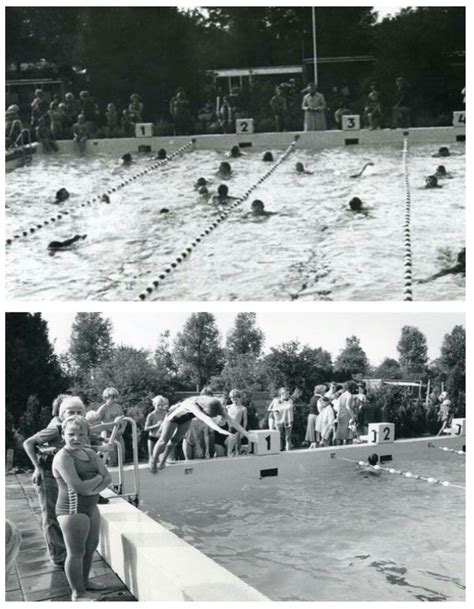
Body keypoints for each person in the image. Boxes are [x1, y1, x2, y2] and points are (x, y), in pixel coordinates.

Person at [22, 396, 88, 567]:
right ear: (61, 413)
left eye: (79, 412)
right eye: (70, 412)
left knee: (62, 514)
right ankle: (58, 557)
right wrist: (36, 467)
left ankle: (63, 552)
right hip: (48, 476)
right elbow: (28, 443)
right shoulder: (56, 428)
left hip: (61, 477)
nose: (75, 414)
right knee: (51, 517)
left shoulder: (72, 428)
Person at [52, 415, 112, 601]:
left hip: (91, 507)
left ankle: (84, 583)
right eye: (71, 434)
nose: (76, 438)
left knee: (90, 546)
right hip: (72, 510)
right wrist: (97, 480)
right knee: (76, 552)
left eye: (81, 434)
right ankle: (78, 593)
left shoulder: (90, 453)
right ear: (63, 435)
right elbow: (78, 487)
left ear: (87, 436)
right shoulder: (63, 457)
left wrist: (93, 485)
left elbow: (108, 477)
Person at [149, 395, 257, 472]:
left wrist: (247, 434)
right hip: (173, 417)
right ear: (206, 410)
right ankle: (153, 461)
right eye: (213, 415)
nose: (214, 417)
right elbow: (205, 418)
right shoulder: (192, 405)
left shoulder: (216, 406)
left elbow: (232, 421)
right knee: (164, 441)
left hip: (186, 417)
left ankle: (163, 461)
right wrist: (220, 430)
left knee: (175, 440)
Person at [90, 388, 126, 467]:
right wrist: (107, 428)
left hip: (118, 433)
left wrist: (122, 429)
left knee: (122, 455)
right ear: (105, 397)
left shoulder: (118, 407)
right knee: (111, 456)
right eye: (109, 396)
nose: (111, 399)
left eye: (113, 396)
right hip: (108, 434)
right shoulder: (103, 408)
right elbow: (95, 420)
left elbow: (124, 420)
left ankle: (122, 475)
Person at [144, 396, 169, 465]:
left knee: (162, 457)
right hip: (152, 437)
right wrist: (156, 425)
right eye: (158, 405)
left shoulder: (165, 414)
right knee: (152, 457)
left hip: (161, 438)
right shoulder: (151, 415)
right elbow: (145, 428)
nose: (160, 407)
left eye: (162, 405)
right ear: (154, 404)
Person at [267, 387, 294, 452]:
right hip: (278, 421)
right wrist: (275, 410)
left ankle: (288, 451)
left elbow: (289, 408)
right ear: (282, 394)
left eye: (288, 394)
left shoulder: (290, 401)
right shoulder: (275, 400)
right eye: (286, 394)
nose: (288, 395)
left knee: (288, 437)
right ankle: (280, 450)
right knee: (279, 437)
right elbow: (269, 409)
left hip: (288, 421)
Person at [226, 390, 248, 455]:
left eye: (236, 397)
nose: (234, 399)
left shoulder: (243, 408)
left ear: (239, 398)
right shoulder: (228, 407)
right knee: (228, 447)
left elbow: (245, 420)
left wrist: (243, 432)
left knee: (237, 446)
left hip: (237, 429)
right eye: (232, 398)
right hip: (229, 428)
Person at [305, 385, 326, 449]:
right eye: (324, 391)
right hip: (316, 416)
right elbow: (320, 409)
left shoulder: (312, 397)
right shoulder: (320, 399)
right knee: (316, 436)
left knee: (313, 437)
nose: (325, 392)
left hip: (311, 416)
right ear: (321, 391)